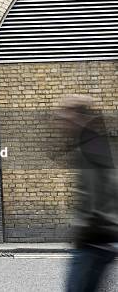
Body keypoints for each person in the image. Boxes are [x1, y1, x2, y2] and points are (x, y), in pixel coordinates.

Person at [60, 96, 118, 292]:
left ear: (79, 116)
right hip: (100, 238)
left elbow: (106, 188)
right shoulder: (91, 143)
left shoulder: (91, 146)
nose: (61, 119)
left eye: (66, 113)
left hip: (93, 240)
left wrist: (86, 226)